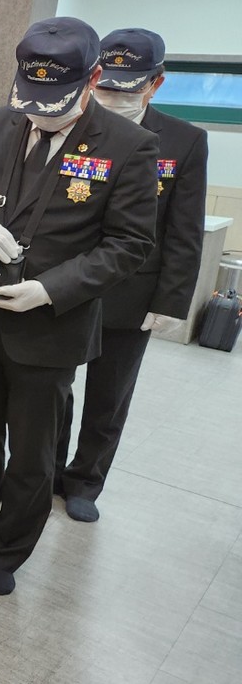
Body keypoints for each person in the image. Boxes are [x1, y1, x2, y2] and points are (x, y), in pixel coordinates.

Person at [0, 17, 158, 596]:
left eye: (54, 100)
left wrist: (51, 288)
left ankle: (6, 551)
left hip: (51, 326)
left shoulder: (129, 145)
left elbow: (130, 244)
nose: (41, 113)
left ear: (93, 78)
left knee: (32, 453)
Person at [55, 28, 207, 522]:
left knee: (110, 395)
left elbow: (184, 230)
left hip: (133, 291)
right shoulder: (73, 123)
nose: (113, 96)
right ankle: (48, 470)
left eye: (127, 88)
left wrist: (170, 301)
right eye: (106, 86)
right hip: (67, 283)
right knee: (54, 387)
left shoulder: (184, 140)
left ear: (155, 83)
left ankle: (85, 481)